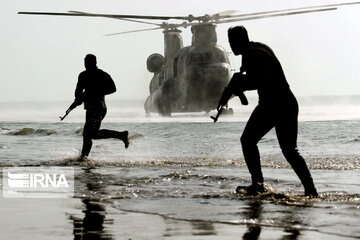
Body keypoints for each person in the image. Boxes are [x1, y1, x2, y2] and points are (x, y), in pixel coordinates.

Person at [218, 26, 318, 196]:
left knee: (249, 141)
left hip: (274, 103)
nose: (231, 46)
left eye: (232, 42)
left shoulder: (252, 54)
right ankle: (310, 190)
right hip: (285, 101)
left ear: (240, 40)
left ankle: (258, 184)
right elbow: (252, 77)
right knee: (288, 149)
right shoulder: (257, 48)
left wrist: (238, 84)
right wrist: (235, 86)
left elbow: (260, 80)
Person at [73, 54, 129, 160]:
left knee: (89, 134)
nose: (86, 64)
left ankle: (83, 157)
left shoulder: (102, 74)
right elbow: (78, 91)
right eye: (85, 62)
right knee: (89, 134)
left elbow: (113, 88)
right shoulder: (83, 75)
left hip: (99, 107)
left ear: (94, 62)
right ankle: (84, 157)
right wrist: (79, 98)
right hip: (90, 108)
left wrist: (96, 92)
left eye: (88, 62)